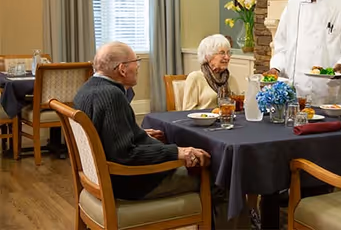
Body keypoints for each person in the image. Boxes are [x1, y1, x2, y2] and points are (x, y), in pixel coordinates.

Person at [73, 41, 211, 201]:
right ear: (122, 69)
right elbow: (126, 155)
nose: (138, 66)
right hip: (130, 184)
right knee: (215, 178)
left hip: (101, 180)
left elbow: (102, 136)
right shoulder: (112, 96)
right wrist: (178, 152)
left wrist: (134, 132)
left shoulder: (86, 89)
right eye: (136, 61)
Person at [183, 34, 239, 110]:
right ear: (208, 56)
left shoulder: (231, 79)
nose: (227, 57)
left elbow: (238, 108)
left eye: (228, 53)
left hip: (228, 120)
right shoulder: (195, 78)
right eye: (222, 53)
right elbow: (187, 111)